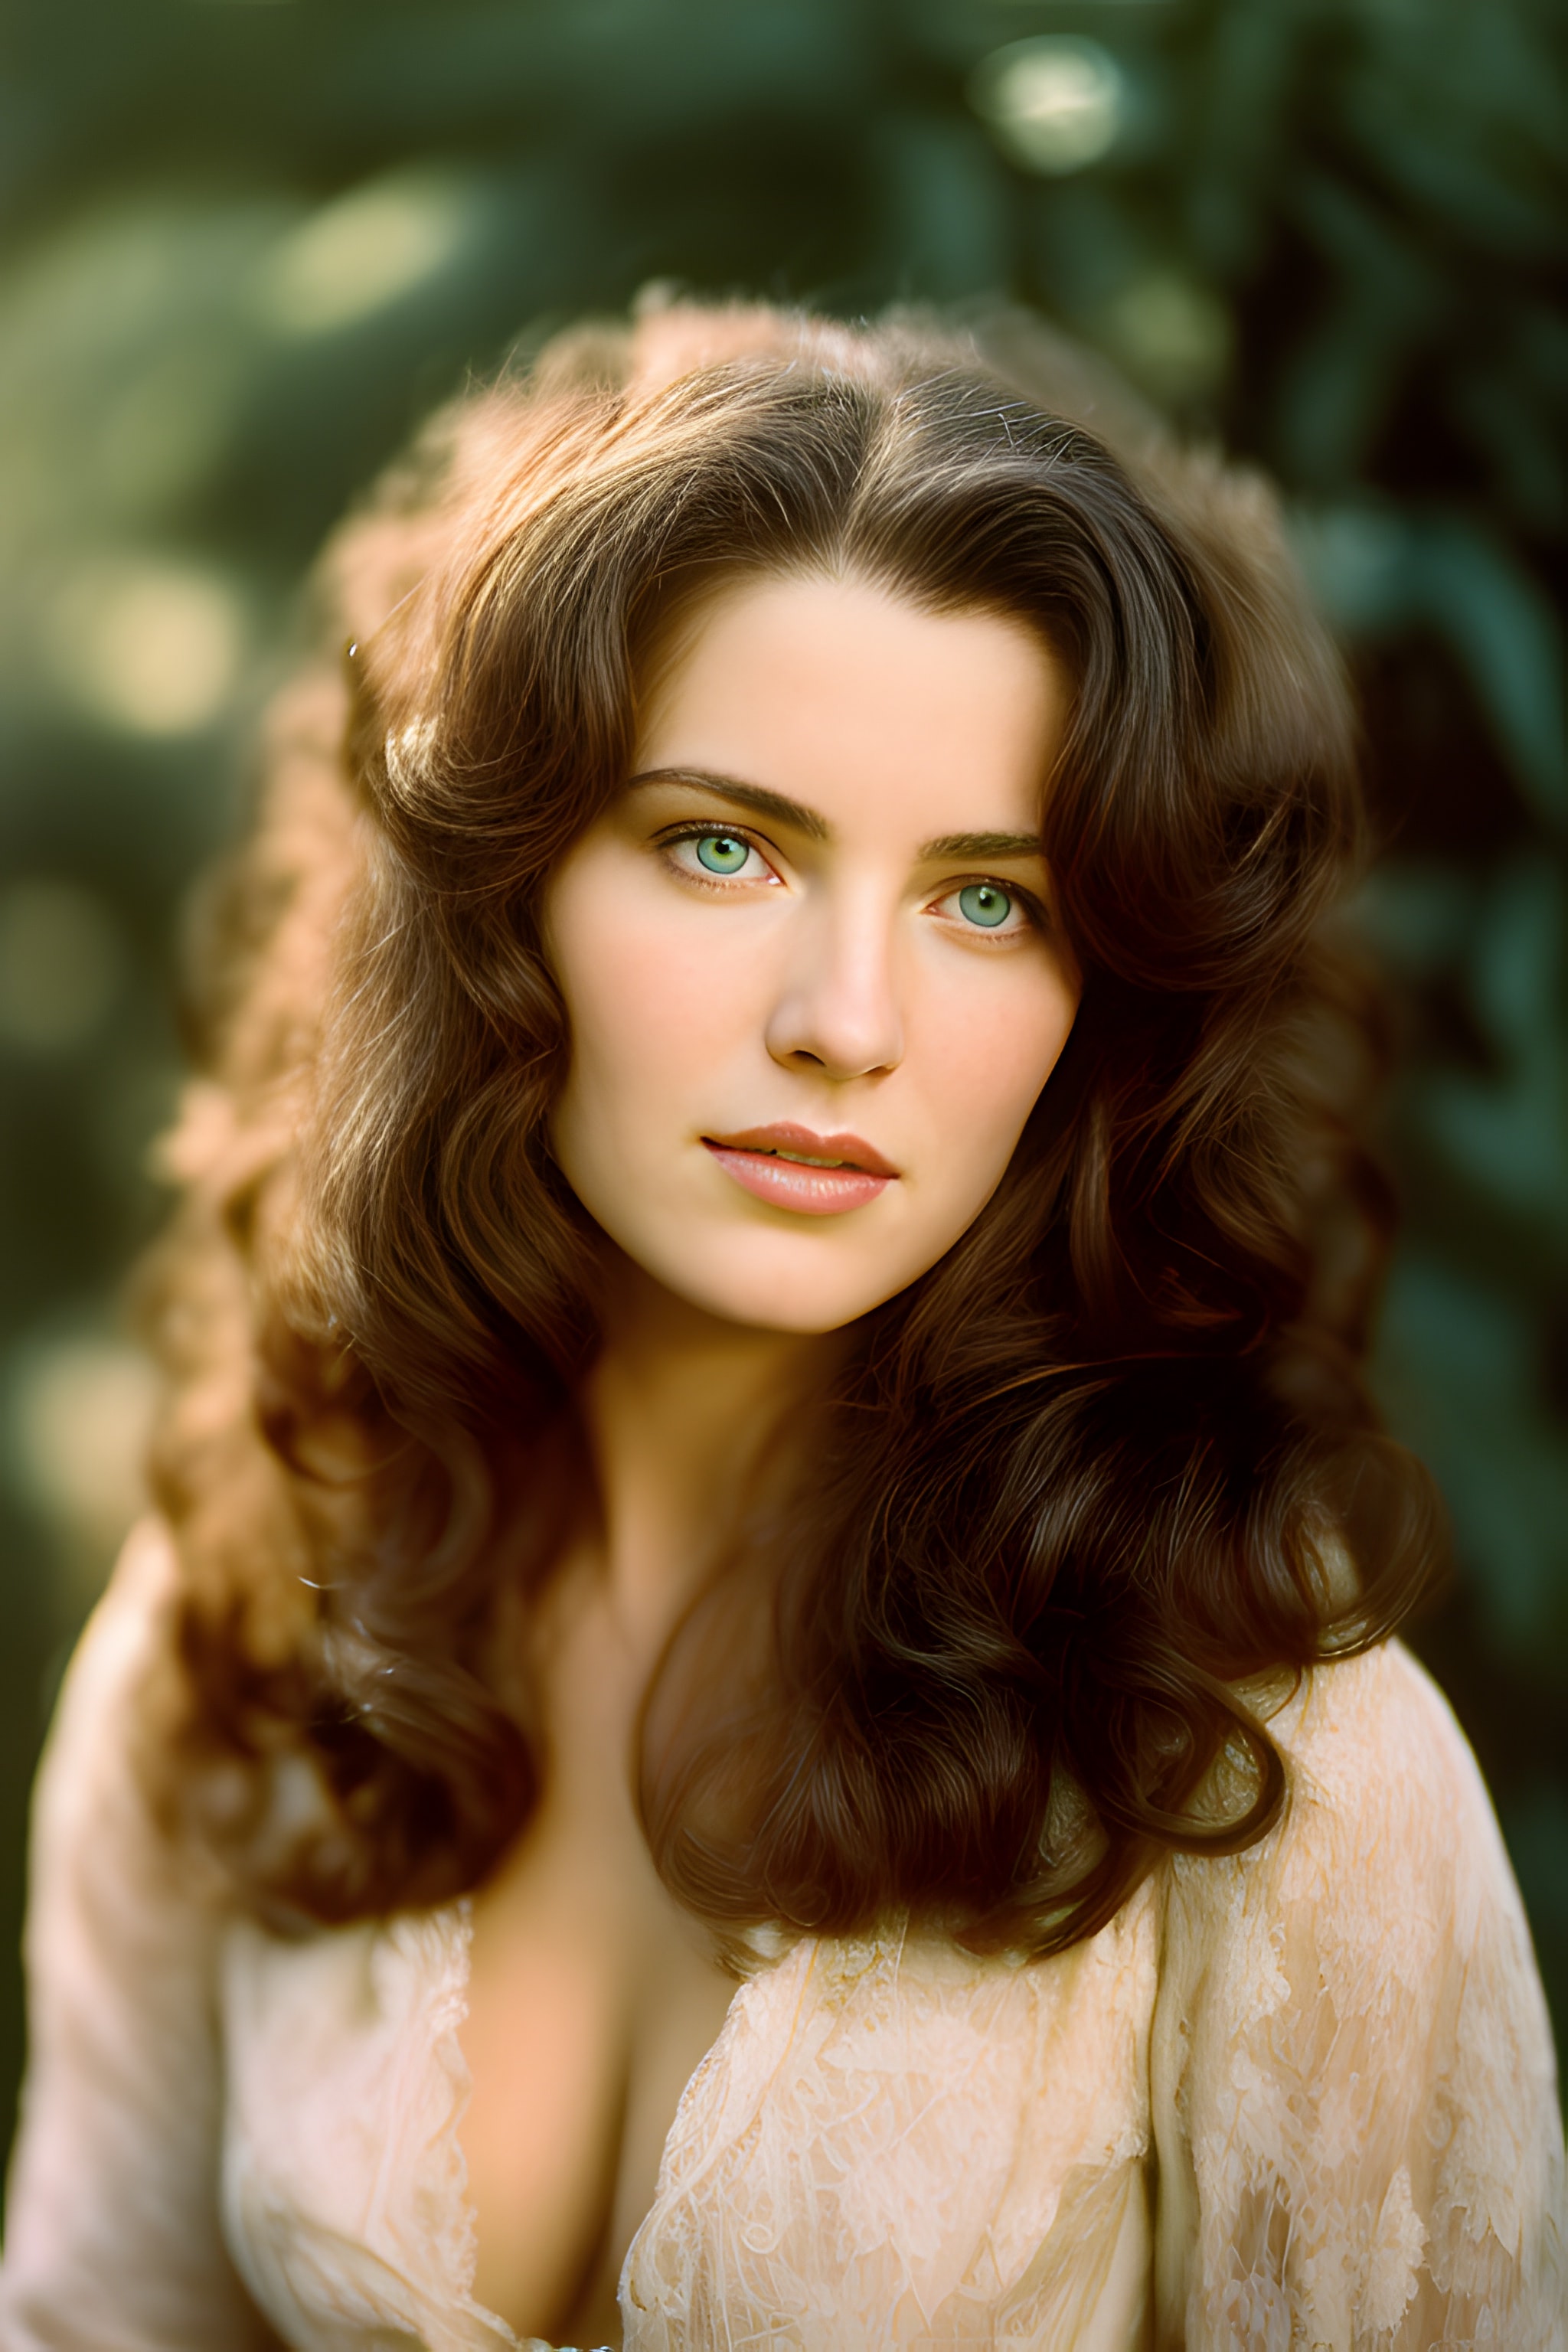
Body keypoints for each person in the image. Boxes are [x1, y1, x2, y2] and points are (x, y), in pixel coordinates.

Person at [1, 296, 1562, 2352]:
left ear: (1105, 1006)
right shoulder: (248, 1619)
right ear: (505, 903)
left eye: (991, 899)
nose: (847, 1022)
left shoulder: (1258, 1752)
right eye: (723, 848)